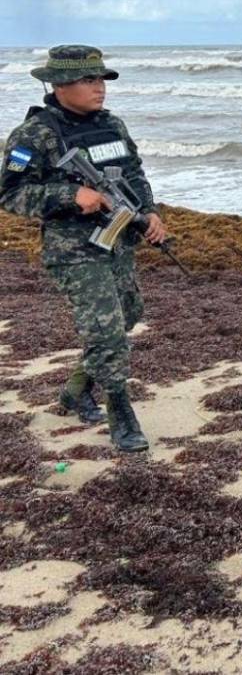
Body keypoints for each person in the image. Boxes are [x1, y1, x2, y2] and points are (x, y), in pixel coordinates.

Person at [1, 45, 166, 452]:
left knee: (127, 316)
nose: (99, 89)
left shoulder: (112, 125)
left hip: (117, 240)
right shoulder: (35, 134)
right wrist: (70, 194)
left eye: (101, 80)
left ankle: (76, 390)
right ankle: (121, 414)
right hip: (72, 251)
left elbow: (134, 173)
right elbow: (10, 193)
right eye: (88, 80)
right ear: (58, 85)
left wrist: (150, 212)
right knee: (107, 333)